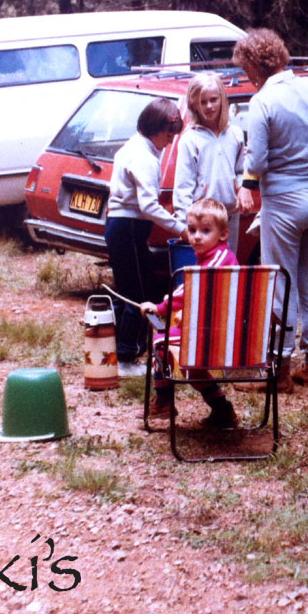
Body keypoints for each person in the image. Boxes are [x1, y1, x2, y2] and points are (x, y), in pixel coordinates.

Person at [231, 29, 308, 391]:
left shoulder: (262, 101)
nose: (246, 76)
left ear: (256, 66)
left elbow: (257, 158)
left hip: (286, 199)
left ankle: (280, 370)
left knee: (281, 282)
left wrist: (247, 182)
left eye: (246, 69)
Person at [139, 198, 240, 428]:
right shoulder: (215, 258)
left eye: (205, 231)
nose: (196, 236)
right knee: (192, 366)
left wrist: (160, 307)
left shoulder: (217, 261)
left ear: (223, 234)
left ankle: (164, 400)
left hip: (220, 338)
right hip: (222, 334)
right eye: (192, 230)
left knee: (160, 342)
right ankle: (222, 409)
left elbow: (190, 290)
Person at [104, 98, 185, 377]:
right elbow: (149, 206)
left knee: (128, 287)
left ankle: (113, 350)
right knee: (138, 294)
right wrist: (180, 227)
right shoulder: (145, 157)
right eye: (167, 135)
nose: (170, 141)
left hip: (119, 225)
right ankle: (126, 357)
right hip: (128, 227)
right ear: (154, 128)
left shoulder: (134, 145)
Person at [173, 72, 252, 254]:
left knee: (226, 267)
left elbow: (240, 170)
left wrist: (241, 188)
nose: (209, 106)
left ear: (222, 99)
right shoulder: (189, 139)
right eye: (203, 102)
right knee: (205, 272)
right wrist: (187, 226)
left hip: (230, 216)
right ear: (193, 104)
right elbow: (183, 189)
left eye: (213, 100)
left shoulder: (236, 134)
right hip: (202, 222)